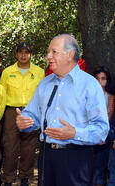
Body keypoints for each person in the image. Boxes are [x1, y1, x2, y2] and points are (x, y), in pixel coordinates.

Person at [16, 34, 109, 186]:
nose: (48, 56)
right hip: (47, 157)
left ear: (70, 55)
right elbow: (32, 114)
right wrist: (25, 121)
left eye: (54, 52)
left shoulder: (89, 85)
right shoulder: (45, 83)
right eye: (48, 52)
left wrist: (74, 133)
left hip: (77, 159)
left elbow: (102, 130)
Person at [0, 42, 45, 186]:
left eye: (26, 52)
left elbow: (42, 95)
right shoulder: (7, 72)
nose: (23, 55)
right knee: (10, 147)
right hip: (12, 112)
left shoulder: (39, 72)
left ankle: (25, 178)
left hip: (31, 113)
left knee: (29, 148)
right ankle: (8, 178)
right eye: (21, 52)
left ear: (31, 54)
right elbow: (1, 96)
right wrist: (0, 117)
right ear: (16, 54)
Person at [92, 66, 114, 186]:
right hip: (88, 135)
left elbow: (108, 117)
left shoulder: (110, 96)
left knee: (101, 165)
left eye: (103, 78)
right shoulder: (88, 95)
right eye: (97, 79)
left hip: (103, 136)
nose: (100, 82)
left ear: (107, 80)